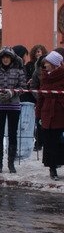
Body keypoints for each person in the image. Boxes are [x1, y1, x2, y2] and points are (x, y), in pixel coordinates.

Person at [0, 47, 27, 173]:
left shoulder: (18, 70)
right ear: (0, 59)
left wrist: (12, 92)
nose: (5, 59)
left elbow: (23, 87)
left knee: (12, 133)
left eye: (8, 57)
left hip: (13, 105)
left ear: (11, 58)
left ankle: (11, 162)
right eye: (3, 57)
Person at [35, 51, 64, 180]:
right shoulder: (44, 77)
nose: (45, 65)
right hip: (47, 113)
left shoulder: (62, 75)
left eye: (47, 62)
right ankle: (52, 168)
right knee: (49, 142)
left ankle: (59, 163)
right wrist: (38, 114)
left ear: (54, 64)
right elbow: (41, 97)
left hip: (60, 113)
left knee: (59, 141)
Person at [28, 44, 47, 151]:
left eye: (39, 51)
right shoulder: (33, 67)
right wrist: (38, 96)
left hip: (51, 99)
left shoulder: (52, 67)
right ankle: (38, 142)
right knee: (38, 121)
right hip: (39, 99)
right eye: (36, 51)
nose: (38, 53)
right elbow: (33, 85)